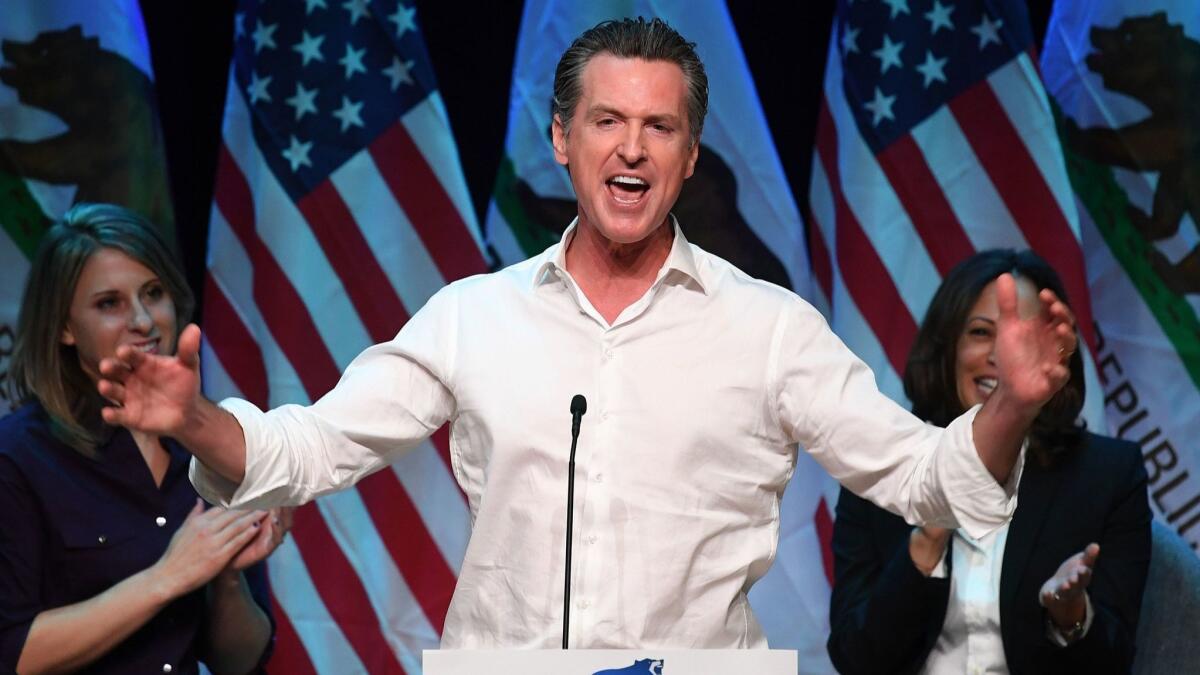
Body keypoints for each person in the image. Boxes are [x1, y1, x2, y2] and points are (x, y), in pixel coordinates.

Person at [96, 19, 1078, 648]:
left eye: (660, 127)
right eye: (608, 120)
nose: (633, 148)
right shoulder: (472, 315)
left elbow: (926, 478)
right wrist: (193, 422)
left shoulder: (770, 329)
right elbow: (306, 449)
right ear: (562, 140)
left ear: (691, 157)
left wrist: (1013, 409)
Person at [826, 249, 1151, 674]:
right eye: (982, 332)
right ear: (947, 349)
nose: (1005, 356)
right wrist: (928, 539)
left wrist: (1069, 614)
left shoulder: (1108, 474)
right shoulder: (880, 468)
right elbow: (855, 659)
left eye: (1025, 338)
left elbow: (1116, 662)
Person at [0, 203, 289, 674]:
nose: (143, 321)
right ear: (66, 327)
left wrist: (228, 577)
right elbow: (11, 652)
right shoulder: (18, 458)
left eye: (153, 294)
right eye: (109, 303)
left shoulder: (213, 447)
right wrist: (167, 577)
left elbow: (240, 662)